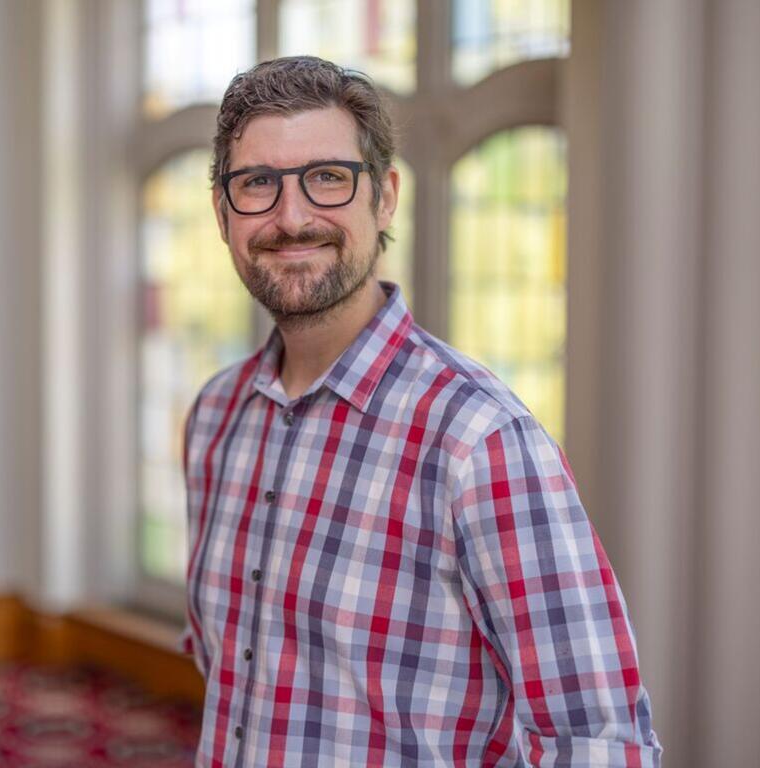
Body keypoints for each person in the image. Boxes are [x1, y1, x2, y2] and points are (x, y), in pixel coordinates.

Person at [181, 56, 661, 767]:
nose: (292, 216)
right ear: (223, 214)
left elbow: (599, 745)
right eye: (257, 183)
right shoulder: (217, 418)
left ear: (384, 198)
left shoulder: (480, 441)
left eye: (328, 177)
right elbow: (238, 677)